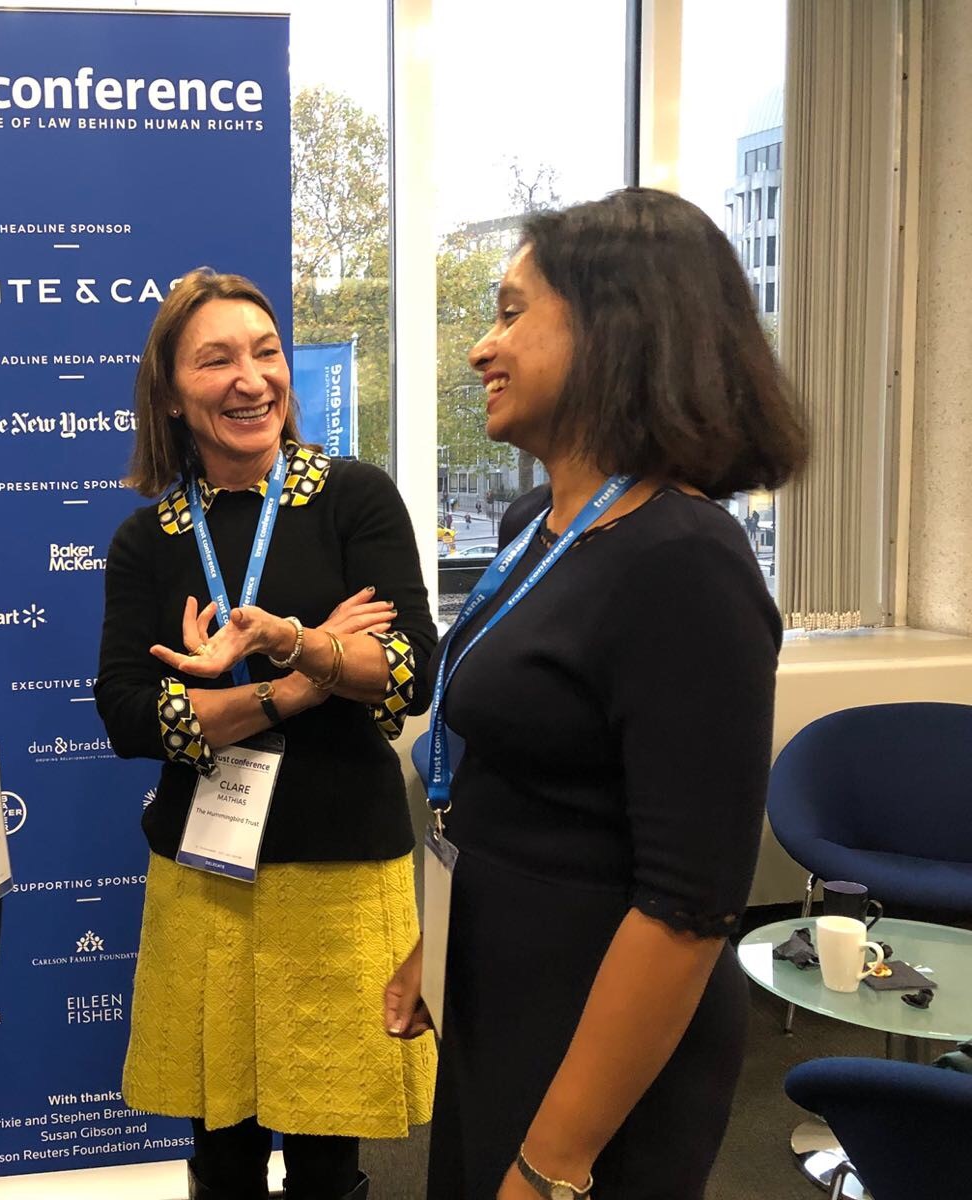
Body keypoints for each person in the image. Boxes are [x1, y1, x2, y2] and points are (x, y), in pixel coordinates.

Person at [383, 188, 807, 1200]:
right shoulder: (542, 522)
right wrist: (434, 947)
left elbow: (687, 907)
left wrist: (554, 1159)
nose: (481, 349)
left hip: (601, 1042)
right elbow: (517, 776)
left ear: (615, 329)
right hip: (504, 983)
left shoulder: (683, 559)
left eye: (511, 312)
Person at [96, 269, 438, 1200]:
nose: (251, 379)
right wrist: (306, 678)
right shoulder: (147, 538)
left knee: (331, 1159)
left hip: (340, 867)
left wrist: (281, 643)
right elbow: (131, 717)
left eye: (266, 352)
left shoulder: (354, 498)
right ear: (170, 391)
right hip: (208, 877)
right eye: (217, 360)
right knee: (224, 1151)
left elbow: (408, 674)